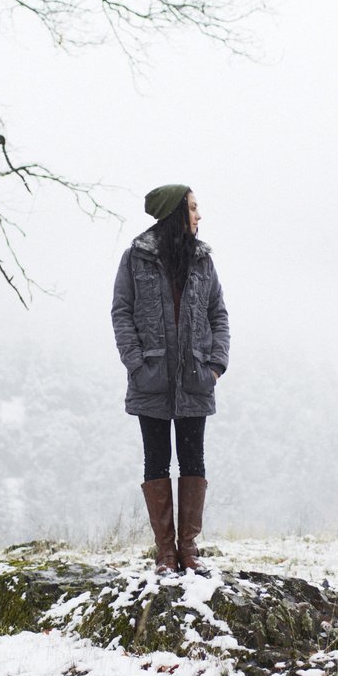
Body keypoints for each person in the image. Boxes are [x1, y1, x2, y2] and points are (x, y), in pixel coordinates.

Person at [111, 185, 230, 574]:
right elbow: (122, 313)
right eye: (193, 208)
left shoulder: (203, 261)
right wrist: (135, 363)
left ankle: (188, 549)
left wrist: (215, 365)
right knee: (156, 460)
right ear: (175, 213)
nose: (199, 215)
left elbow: (218, 314)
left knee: (193, 459)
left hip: (196, 377)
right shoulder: (135, 259)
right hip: (152, 379)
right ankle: (165, 552)